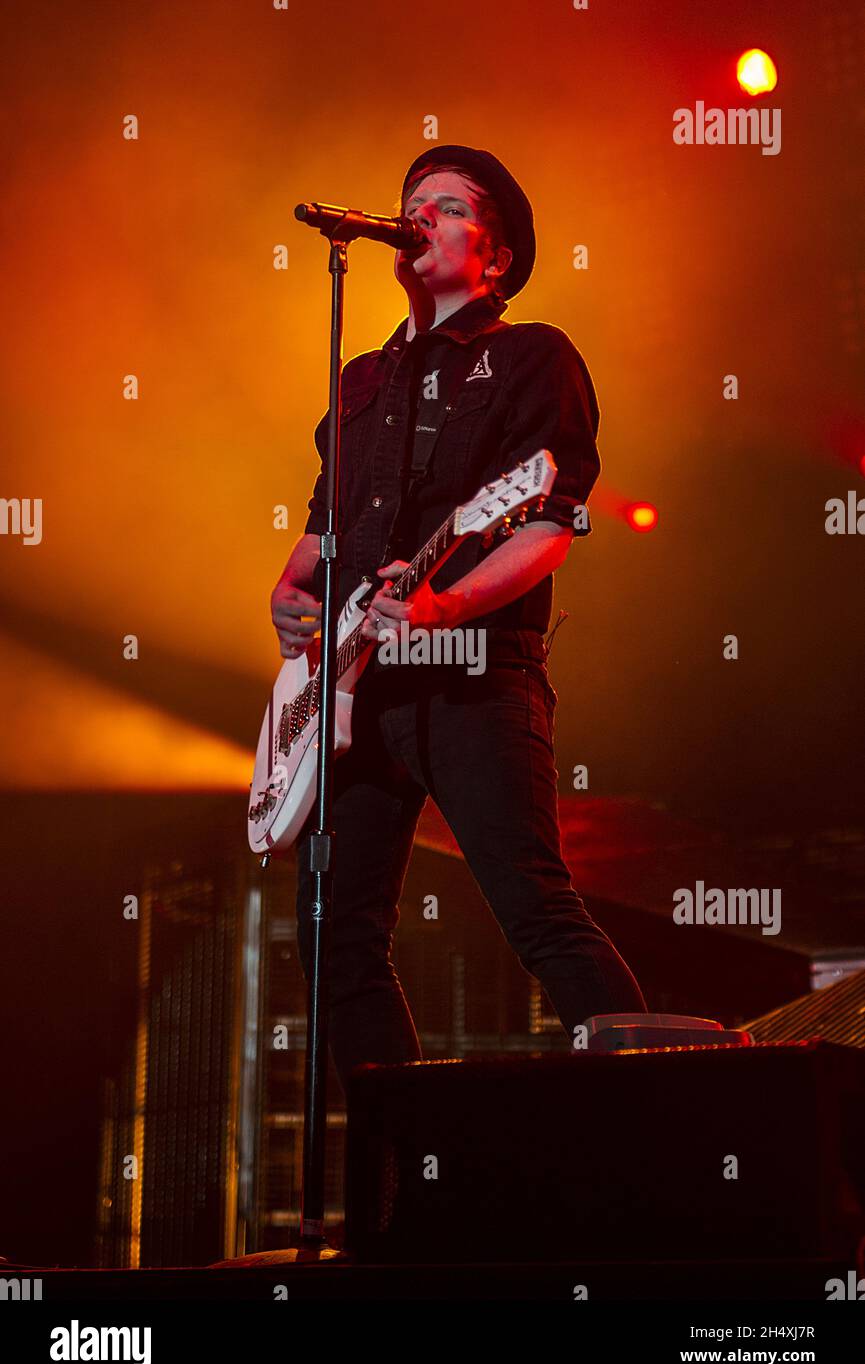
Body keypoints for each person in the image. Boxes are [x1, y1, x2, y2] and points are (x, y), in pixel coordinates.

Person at [271, 144, 646, 1095]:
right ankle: (399, 1176)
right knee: (331, 938)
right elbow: (324, 529)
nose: (418, 216)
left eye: (445, 205)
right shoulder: (357, 383)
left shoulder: (530, 356)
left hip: (477, 674)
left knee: (533, 906)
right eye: (410, 205)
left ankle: (663, 1127)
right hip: (351, 693)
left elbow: (547, 526)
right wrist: (290, 598)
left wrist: (442, 602)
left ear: (497, 256)